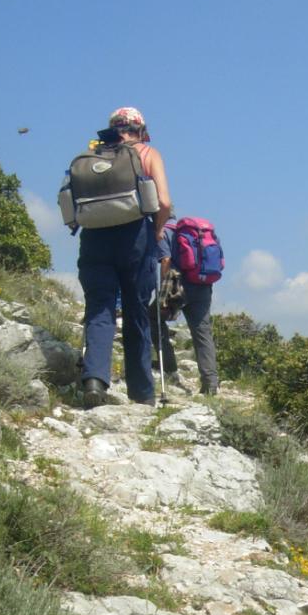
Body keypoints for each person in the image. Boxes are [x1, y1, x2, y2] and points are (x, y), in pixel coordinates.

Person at [78, 107, 172, 408]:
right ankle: (142, 392)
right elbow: (164, 201)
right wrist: (157, 231)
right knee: (136, 312)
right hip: (135, 237)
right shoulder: (148, 153)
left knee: (100, 308)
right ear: (140, 128)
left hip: (94, 237)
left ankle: (94, 379)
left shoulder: (93, 154)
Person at [152, 218, 220, 396]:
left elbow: (166, 260)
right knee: (202, 332)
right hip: (203, 285)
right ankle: (210, 383)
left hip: (179, 286)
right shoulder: (197, 232)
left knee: (153, 319)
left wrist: (164, 295)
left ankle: (168, 367)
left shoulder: (164, 232)